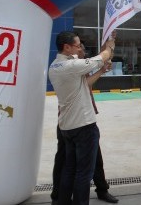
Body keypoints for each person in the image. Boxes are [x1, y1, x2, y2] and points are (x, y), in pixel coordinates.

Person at [48, 31, 115, 205]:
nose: (80, 49)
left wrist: (100, 71)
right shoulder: (72, 66)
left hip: (68, 127)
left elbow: (84, 84)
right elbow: (103, 55)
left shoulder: (56, 66)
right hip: (83, 126)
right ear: (67, 47)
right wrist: (110, 42)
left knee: (70, 169)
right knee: (83, 174)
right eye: (78, 46)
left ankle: (61, 201)